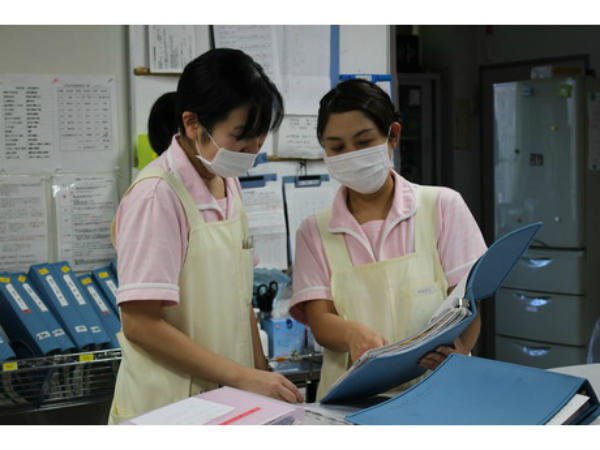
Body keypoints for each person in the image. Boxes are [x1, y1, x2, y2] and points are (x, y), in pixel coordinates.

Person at [108, 48, 303, 424]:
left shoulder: (228, 182)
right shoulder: (157, 195)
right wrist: (242, 376)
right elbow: (140, 323)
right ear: (193, 123)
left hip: (229, 400)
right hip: (168, 407)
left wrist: (262, 380)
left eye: (261, 136)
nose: (254, 149)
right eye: (242, 136)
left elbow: (238, 297)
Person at [289, 79, 487, 401]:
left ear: (392, 135)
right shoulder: (315, 231)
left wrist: (460, 351)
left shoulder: (441, 207)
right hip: (349, 403)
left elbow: (468, 301)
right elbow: (320, 319)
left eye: (364, 142)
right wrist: (351, 333)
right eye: (337, 148)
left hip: (436, 391)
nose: (350, 155)